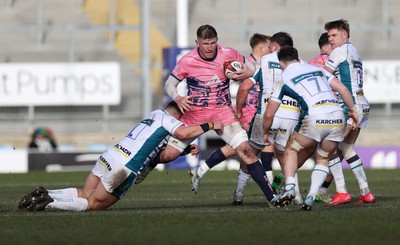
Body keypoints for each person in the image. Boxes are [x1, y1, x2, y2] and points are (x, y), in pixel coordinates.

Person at [18, 101, 224, 212]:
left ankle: (44, 193)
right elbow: (184, 133)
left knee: (84, 192)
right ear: (179, 114)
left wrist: (185, 150)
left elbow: (161, 154)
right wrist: (211, 125)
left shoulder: (154, 115)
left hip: (110, 155)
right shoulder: (170, 121)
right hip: (124, 167)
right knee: (94, 204)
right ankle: (48, 202)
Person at [164, 24, 276, 206]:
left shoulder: (228, 53)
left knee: (247, 152)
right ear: (197, 42)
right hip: (195, 114)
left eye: (213, 43)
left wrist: (246, 73)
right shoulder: (187, 60)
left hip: (223, 113)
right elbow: (169, 83)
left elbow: (251, 68)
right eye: (205, 43)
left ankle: (273, 199)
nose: (210, 47)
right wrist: (178, 98)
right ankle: (148, 163)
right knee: (168, 155)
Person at [266, 46, 359, 210]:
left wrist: (265, 132)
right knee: (323, 158)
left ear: (281, 62)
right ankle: (310, 197)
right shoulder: (317, 69)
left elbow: (269, 114)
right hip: (337, 115)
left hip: (315, 117)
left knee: (291, 150)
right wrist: (352, 110)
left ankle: (289, 188)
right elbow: (343, 89)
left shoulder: (283, 77)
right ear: (297, 57)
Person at [236, 32, 302, 204]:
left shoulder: (265, 61)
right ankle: (296, 195)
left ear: (274, 46)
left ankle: (239, 194)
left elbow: (244, 87)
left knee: (249, 154)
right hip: (290, 115)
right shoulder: (301, 64)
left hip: (266, 113)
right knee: (286, 156)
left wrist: (238, 111)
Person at [323, 19, 375, 205]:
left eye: (334, 35)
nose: (330, 39)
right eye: (329, 36)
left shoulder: (339, 51)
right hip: (362, 104)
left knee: (327, 149)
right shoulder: (354, 51)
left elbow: (324, 75)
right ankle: (365, 192)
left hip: (349, 106)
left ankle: (341, 191)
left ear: (345, 35)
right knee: (346, 148)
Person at [308, 32, 334, 203]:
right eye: (332, 46)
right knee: (332, 155)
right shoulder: (333, 64)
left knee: (302, 152)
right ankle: (322, 190)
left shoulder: (309, 64)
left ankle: (286, 180)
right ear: (325, 47)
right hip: (330, 113)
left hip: (310, 114)